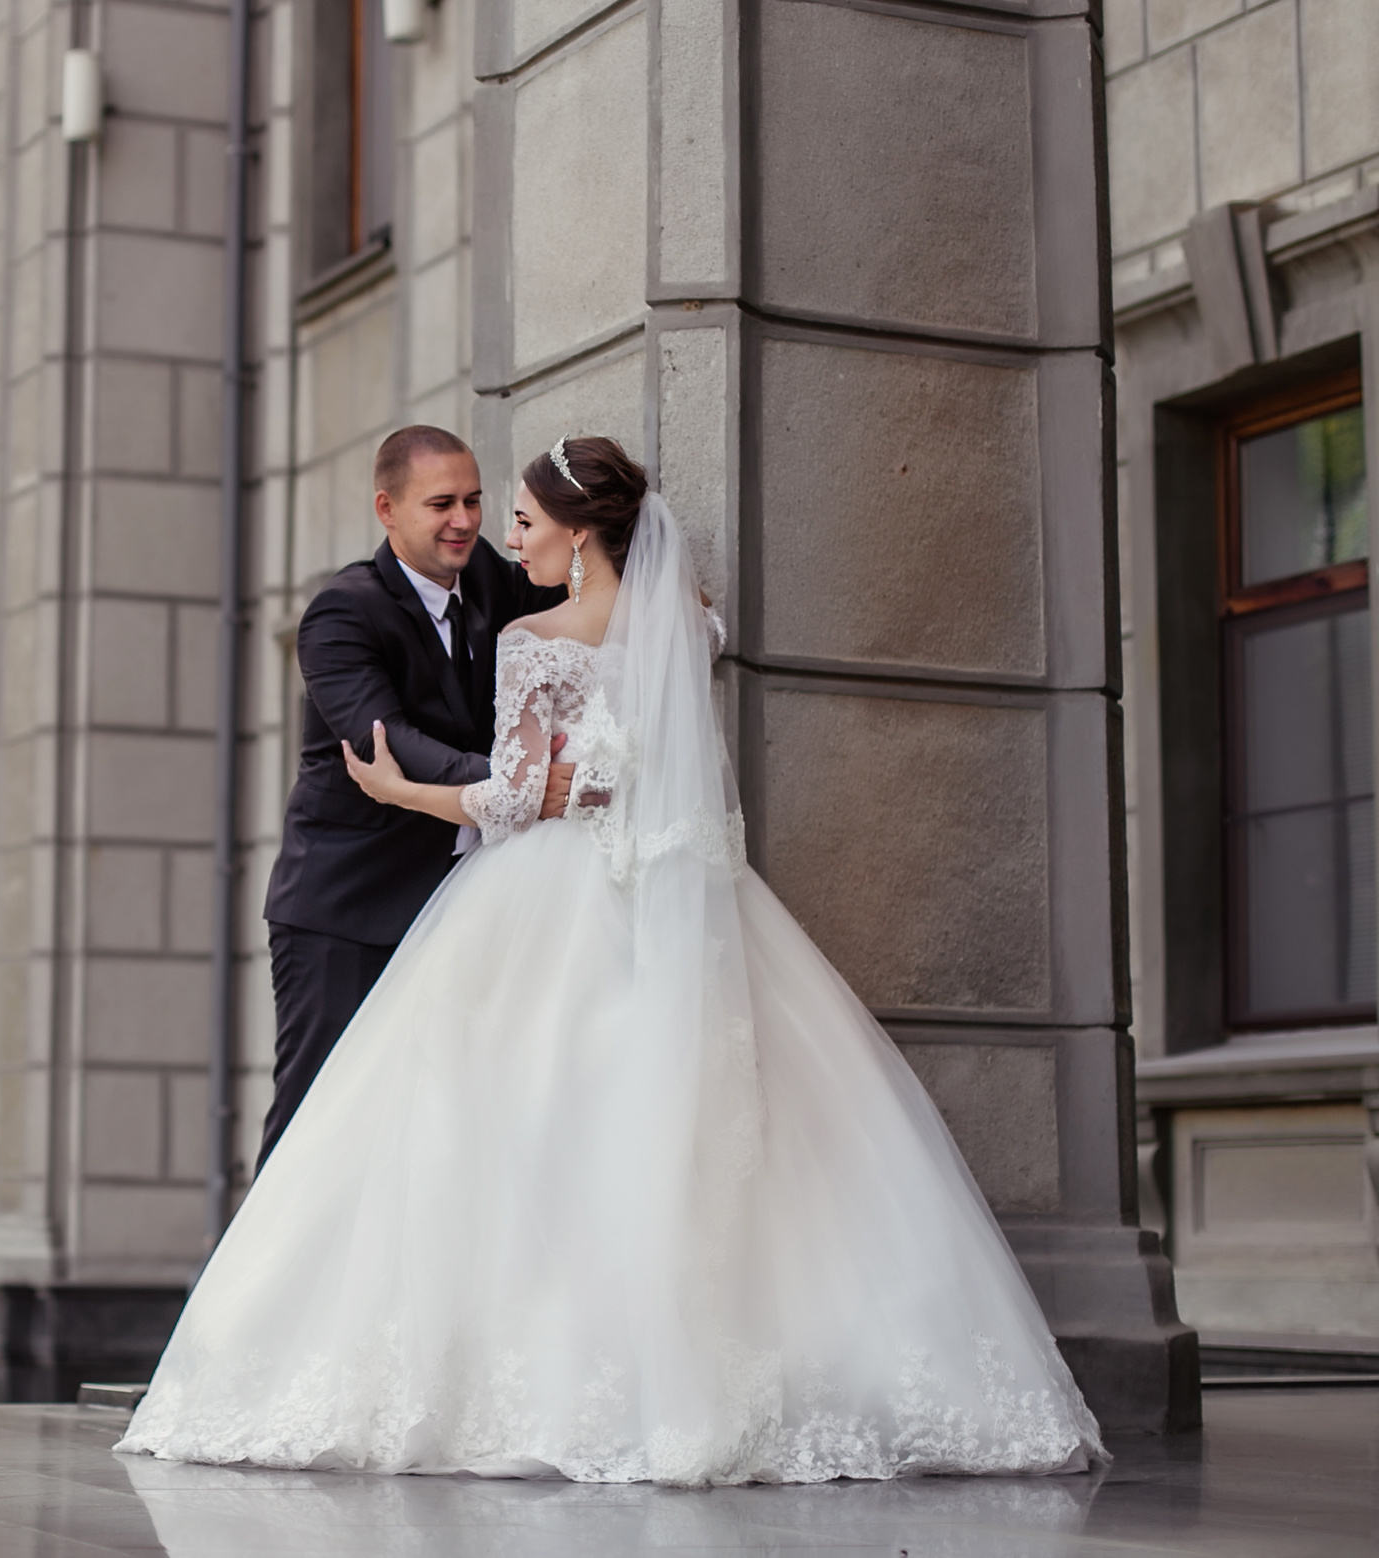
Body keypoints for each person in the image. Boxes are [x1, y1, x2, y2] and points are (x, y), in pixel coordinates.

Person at [119, 436, 1104, 1485]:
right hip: (370, 902)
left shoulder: (525, 613)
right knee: (359, 1108)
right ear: (387, 508)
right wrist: (570, 732)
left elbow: (519, 759)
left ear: (574, 533)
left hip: (536, 882)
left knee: (515, 1119)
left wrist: (478, 788)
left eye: (498, 508)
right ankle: (281, 1325)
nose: (483, 526)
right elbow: (397, 726)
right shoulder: (381, 610)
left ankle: (476, 1355)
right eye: (448, 505)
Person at [258, 425, 569, 1165]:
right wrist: (515, 787)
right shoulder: (341, 613)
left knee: (425, 1134)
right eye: (440, 505)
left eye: (472, 501)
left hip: (453, 911)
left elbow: (575, 595)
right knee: (316, 1123)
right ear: (387, 509)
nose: (463, 520)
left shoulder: (488, 575)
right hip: (346, 913)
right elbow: (386, 742)